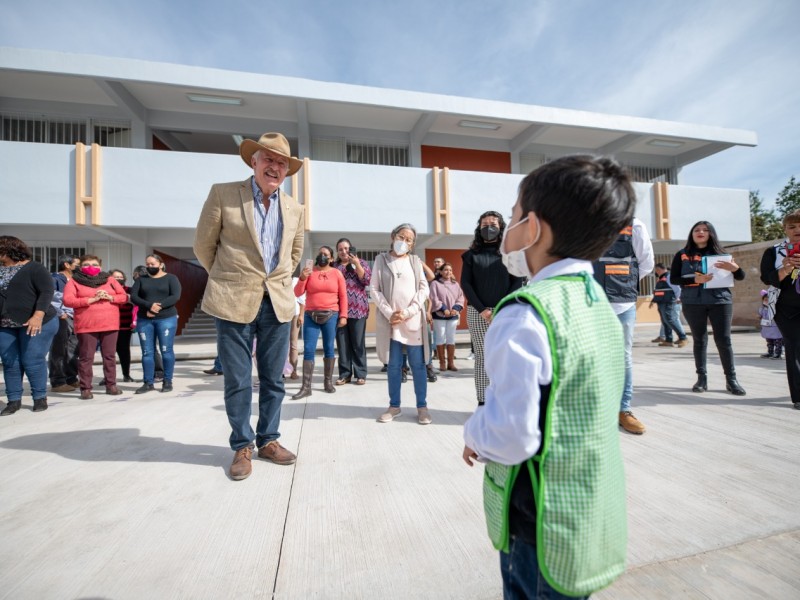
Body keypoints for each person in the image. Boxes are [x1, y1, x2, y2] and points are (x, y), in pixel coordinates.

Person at [462, 156, 631, 600]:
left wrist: (475, 432)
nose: (508, 227)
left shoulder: (523, 313)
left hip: (539, 525)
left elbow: (512, 435)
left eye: (514, 216)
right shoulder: (600, 306)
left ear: (533, 228)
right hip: (587, 513)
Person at [194, 131, 305, 480]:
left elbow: (294, 254)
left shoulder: (295, 208)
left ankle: (268, 440)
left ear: (287, 170)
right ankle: (242, 446)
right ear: (253, 161)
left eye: (281, 162)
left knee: (274, 380)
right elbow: (203, 246)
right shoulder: (223, 194)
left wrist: (279, 283)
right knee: (238, 380)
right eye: (268, 159)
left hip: (277, 303)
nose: (274, 166)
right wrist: (230, 279)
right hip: (233, 301)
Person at [593, 217, 654, 434]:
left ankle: (624, 410)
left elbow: (646, 263)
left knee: (623, 357)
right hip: (589, 301)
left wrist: (624, 283)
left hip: (622, 303)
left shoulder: (633, 224)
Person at [670, 221, 746, 395]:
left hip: (720, 301)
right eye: (697, 230)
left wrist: (735, 269)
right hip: (692, 302)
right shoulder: (681, 254)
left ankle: (731, 380)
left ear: (711, 234)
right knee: (700, 340)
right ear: (692, 234)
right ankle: (702, 379)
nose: (701, 232)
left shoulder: (722, 254)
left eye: (705, 230)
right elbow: (674, 279)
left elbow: (741, 276)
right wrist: (694, 280)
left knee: (724, 340)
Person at [461, 211, 525, 405]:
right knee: (482, 357)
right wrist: (484, 310)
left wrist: (500, 309)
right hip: (477, 313)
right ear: (479, 229)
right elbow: (466, 284)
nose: (488, 228)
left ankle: (504, 401)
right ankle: (483, 401)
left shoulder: (510, 253)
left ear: (501, 227)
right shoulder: (471, 255)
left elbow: (517, 281)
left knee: (506, 357)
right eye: (484, 225)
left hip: (506, 313)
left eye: (493, 224)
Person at [370, 223, 432, 425]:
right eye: (401, 237)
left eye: (409, 240)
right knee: (394, 366)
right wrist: (390, 313)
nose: (403, 242)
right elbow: (374, 290)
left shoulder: (415, 261)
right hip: (391, 322)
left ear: (413, 245)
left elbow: (424, 289)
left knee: (418, 365)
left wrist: (407, 312)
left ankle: (422, 407)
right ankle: (394, 406)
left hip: (412, 320)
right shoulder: (381, 260)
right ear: (392, 236)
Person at [0, 236, 58, 415]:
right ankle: (13, 401)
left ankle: (39, 398)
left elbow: (47, 292)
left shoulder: (34, 268)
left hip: (36, 321)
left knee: (32, 360)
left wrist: (37, 316)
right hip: (5, 324)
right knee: (10, 362)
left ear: (8, 250)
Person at [63, 255, 128, 399]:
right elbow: (68, 300)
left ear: (101, 266)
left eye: (94, 264)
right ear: (80, 266)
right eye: (86, 264)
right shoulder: (74, 281)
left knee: (109, 356)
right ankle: (85, 388)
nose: (90, 267)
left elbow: (123, 297)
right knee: (86, 357)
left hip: (109, 323)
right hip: (87, 325)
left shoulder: (110, 280)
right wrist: (91, 299)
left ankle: (111, 385)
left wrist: (110, 297)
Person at [292, 245, 347, 399]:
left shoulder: (337, 274)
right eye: (320, 253)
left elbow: (343, 296)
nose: (322, 256)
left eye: (325, 254)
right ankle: (306, 387)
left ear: (331, 258)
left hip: (331, 314)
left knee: (329, 347)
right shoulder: (310, 272)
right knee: (309, 349)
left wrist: (343, 316)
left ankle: (327, 382)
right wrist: (303, 277)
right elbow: (297, 292)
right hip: (311, 315)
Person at [760, 210, 800, 408]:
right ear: (785, 229)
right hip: (786, 308)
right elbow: (767, 278)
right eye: (792, 226)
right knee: (794, 347)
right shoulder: (773, 252)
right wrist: (785, 269)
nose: (797, 230)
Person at [130, 254, 181, 394]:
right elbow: (134, 296)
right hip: (145, 319)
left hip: (166, 318)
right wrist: (148, 306)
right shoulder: (141, 280)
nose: (150, 267)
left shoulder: (171, 278)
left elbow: (175, 296)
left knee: (166, 351)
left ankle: (167, 380)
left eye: (153, 264)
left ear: (161, 264)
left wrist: (159, 306)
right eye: (148, 264)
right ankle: (148, 382)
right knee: (147, 352)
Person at [332, 238, 371, 385]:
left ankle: (361, 374)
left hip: (358, 309)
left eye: (346, 248)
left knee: (358, 343)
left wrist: (356, 265)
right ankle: (345, 374)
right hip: (339, 310)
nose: (344, 251)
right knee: (342, 344)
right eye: (340, 249)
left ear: (351, 248)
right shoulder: (334, 266)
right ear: (337, 251)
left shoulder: (361, 263)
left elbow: (367, 281)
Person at [48, 254, 81, 393]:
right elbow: (49, 299)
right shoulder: (55, 279)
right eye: (77, 264)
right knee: (58, 349)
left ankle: (71, 378)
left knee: (73, 349)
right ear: (67, 265)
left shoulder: (76, 280)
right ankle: (58, 381)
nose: (80, 267)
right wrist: (60, 313)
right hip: (61, 318)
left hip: (76, 318)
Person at [429, 262, 465, 371]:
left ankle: (451, 363)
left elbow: (460, 298)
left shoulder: (455, 284)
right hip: (439, 315)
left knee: (451, 338)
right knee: (440, 337)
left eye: (450, 270)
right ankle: (442, 363)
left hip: (453, 315)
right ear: (440, 271)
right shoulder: (435, 283)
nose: (448, 272)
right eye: (445, 270)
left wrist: (456, 308)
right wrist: (444, 309)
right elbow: (434, 298)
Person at [648, 263, 688, 348]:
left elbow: (678, 289)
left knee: (670, 320)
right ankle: (669, 340)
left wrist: (678, 298)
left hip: (669, 302)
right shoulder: (661, 278)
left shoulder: (669, 277)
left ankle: (683, 338)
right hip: (662, 302)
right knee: (665, 321)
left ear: (658, 269)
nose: (656, 272)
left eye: (656, 270)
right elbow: (660, 291)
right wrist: (653, 300)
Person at [110, 269, 136, 382]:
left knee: (124, 351)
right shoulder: (105, 291)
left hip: (125, 326)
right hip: (109, 326)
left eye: (121, 277)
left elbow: (135, 303)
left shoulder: (129, 290)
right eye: (116, 277)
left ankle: (126, 374)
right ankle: (109, 376)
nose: (119, 279)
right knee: (109, 352)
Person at [758, 290, 783, 359]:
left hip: (775, 327)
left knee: (777, 341)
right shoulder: (762, 308)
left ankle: (778, 353)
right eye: (765, 299)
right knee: (769, 341)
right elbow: (761, 316)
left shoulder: (776, 308)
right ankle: (770, 352)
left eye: (768, 299)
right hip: (767, 328)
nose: (766, 301)